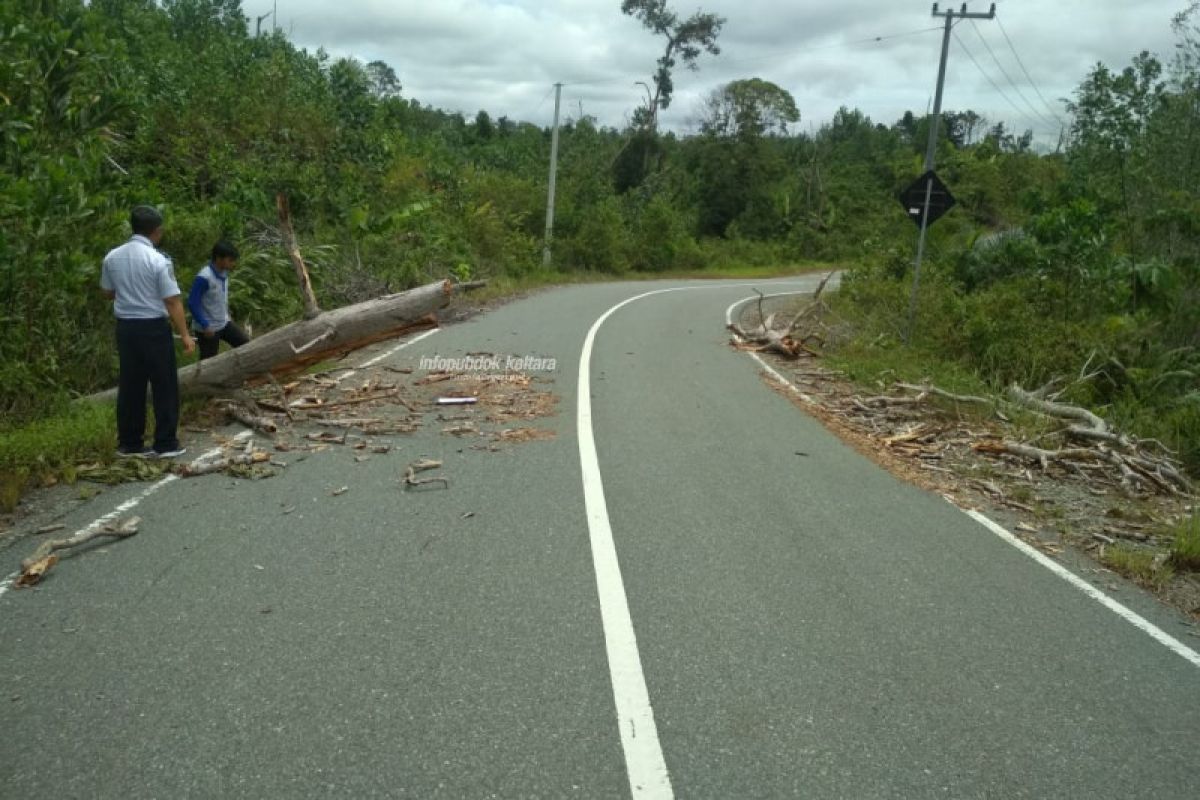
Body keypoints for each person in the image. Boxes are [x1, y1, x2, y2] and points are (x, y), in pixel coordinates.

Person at [101, 205, 195, 459]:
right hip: (153, 327)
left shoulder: (112, 257)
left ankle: (129, 443)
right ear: (157, 231)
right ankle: (165, 442)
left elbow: (108, 293)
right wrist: (185, 335)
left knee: (131, 384)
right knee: (164, 384)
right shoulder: (158, 260)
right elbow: (172, 301)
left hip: (126, 328)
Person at [188, 240, 249, 360]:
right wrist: (205, 325)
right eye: (230, 260)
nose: (233, 263)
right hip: (208, 328)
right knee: (209, 361)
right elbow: (193, 302)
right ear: (218, 258)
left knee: (245, 345)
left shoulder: (224, 273)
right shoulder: (204, 277)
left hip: (224, 323)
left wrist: (227, 314)